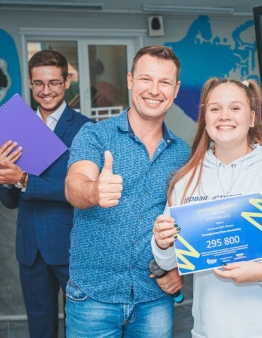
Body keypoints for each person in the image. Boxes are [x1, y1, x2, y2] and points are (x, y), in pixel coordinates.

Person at [152, 78, 262, 338]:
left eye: (235, 108)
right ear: (205, 118)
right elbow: (170, 260)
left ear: (251, 118)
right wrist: (162, 243)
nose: (224, 116)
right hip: (212, 329)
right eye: (215, 109)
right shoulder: (186, 181)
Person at [64, 45, 190, 338]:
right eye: (146, 79)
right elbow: (74, 184)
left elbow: (183, 221)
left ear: (175, 90)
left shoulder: (183, 154)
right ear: (131, 80)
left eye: (164, 82)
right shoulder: (95, 135)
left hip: (154, 297)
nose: (154, 90)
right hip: (93, 296)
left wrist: (178, 267)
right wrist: (94, 191)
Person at [0, 50, 92, 338]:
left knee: (81, 326)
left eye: (54, 82)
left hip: (71, 246)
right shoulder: (14, 129)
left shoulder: (86, 129)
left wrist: (23, 178)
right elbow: (9, 201)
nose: (47, 90)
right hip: (29, 248)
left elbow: (80, 189)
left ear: (66, 82)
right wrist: (5, 178)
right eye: (39, 83)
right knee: (39, 328)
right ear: (30, 84)